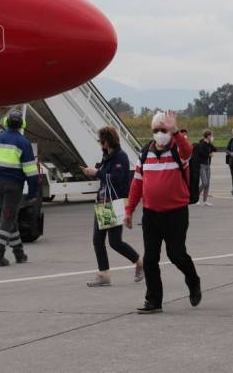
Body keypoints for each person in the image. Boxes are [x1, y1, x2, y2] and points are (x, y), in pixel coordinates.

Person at [126, 111, 201, 314]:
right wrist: (129, 209)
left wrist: (175, 132)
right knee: (150, 258)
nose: (160, 134)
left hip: (176, 213)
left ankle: (193, 281)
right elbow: (137, 183)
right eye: (156, 130)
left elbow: (188, 150)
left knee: (176, 254)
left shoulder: (178, 151)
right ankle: (153, 300)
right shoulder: (145, 153)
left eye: (164, 130)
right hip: (151, 214)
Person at [81, 126, 143, 286]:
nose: (99, 144)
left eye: (100, 141)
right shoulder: (106, 156)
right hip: (103, 201)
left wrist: (97, 173)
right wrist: (93, 171)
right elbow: (104, 176)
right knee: (98, 240)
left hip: (113, 203)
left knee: (114, 242)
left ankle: (139, 261)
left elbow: (116, 179)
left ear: (106, 141)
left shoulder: (120, 157)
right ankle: (104, 274)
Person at [0, 110, 38, 267]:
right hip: (13, 187)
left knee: (10, 217)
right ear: (22, 125)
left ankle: (19, 253)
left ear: (6, 123)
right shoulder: (23, 143)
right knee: (7, 218)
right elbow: (31, 172)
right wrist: (33, 192)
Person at [192, 130, 217, 206]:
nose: (212, 137)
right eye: (211, 135)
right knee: (204, 183)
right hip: (202, 165)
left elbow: (215, 149)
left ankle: (205, 200)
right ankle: (195, 198)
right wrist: (209, 154)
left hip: (207, 165)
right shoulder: (202, 144)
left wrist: (210, 143)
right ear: (208, 136)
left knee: (207, 184)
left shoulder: (208, 144)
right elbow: (202, 153)